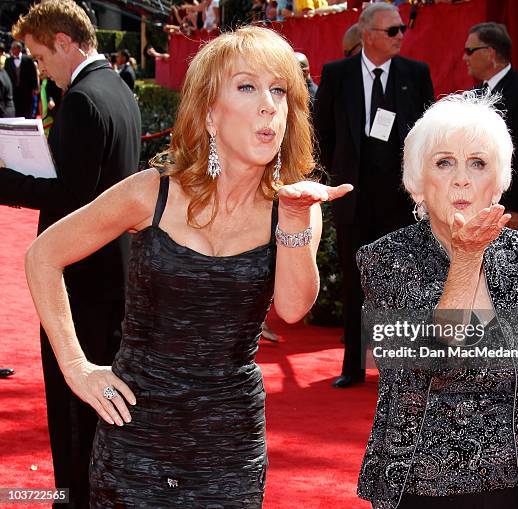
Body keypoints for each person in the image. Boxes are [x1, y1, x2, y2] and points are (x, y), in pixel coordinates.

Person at [25, 26, 352, 507]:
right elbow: (43, 256)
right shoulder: (150, 192)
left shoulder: (295, 207)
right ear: (209, 114)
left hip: (229, 442)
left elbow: (293, 308)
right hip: (135, 433)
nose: (269, 105)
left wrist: (297, 220)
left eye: (279, 90)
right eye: (247, 87)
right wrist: (76, 368)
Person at [356, 92, 518, 509]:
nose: (462, 179)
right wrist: (467, 256)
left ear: (498, 181)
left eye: (478, 163)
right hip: (420, 484)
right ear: (418, 181)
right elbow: (431, 360)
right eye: (444, 163)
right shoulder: (385, 259)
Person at [0, 1, 141, 506]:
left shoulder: (83, 98)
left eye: (40, 58)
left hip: (78, 278)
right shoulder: (120, 90)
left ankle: (75, 497)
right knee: (101, 400)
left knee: (73, 402)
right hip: (111, 273)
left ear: (63, 41)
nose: (40, 69)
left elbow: (69, 195)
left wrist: (6, 181)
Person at [314, 3, 434, 388]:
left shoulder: (416, 74)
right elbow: (322, 133)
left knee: (402, 284)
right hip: (355, 196)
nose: (401, 35)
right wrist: (331, 179)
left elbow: (428, 134)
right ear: (367, 35)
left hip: (401, 199)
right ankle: (352, 365)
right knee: (355, 282)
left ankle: (400, 368)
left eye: (402, 29)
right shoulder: (338, 74)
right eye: (393, 30)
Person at [463, 22, 518, 233]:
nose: (465, 57)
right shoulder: (472, 94)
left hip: (507, 209)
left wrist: (514, 206)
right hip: (475, 205)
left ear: (490, 53)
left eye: (469, 51)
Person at [4, 40, 39, 118]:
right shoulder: (8, 61)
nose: (12, 50)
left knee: (26, 109)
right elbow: (6, 75)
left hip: (26, 90)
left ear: (19, 49)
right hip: (13, 91)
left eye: (14, 48)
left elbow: (33, 74)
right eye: (12, 48)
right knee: (16, 109)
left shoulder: (28, 60)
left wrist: (35, 87)